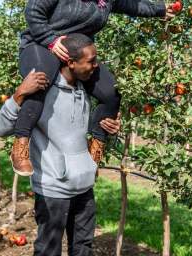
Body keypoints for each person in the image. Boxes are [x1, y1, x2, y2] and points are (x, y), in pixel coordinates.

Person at [11, 0, 178, 176]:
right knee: (41, 78)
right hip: (41, 45)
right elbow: (33, 10)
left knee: (111, 94)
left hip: (78, 54)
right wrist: (50, 40)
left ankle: (94, 151)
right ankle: (20, 144)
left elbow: (134, 5)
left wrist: (161, 9)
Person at [0, 33, 120, 256]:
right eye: (91, 61)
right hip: (53, 189)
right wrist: (19, 94)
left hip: (85, 187)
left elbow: (84, 134)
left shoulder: (86, 92)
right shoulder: (41, 91)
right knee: (48, 251)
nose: (96, 65)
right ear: (71, 62)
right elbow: (1, 128)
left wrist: (111, 129)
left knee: (83, 250)